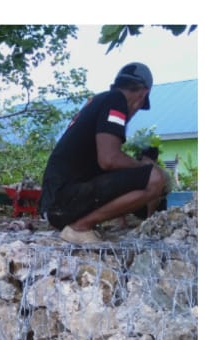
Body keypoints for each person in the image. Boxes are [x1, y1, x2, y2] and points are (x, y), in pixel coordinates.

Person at [41, 62, 167, 246]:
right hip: (64, 202)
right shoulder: (117, 102)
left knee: (131, 171)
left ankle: (81, 224)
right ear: (142, 94)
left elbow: (108, 167)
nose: (133, 114)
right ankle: (79, 228)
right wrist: (146, 166)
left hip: (56, 202)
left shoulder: (100, 100)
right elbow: (109, 159)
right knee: (155, 177)